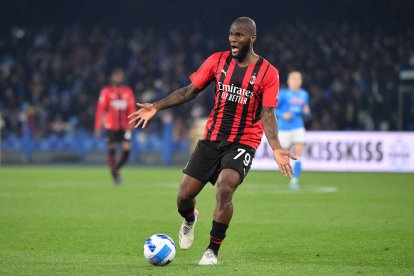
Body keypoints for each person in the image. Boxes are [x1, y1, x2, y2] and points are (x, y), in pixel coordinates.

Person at [128, 17, 296, 265]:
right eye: (231, 34)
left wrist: (276, 147)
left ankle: (212, 250)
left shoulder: (269, 73)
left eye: (239, 35)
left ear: (252, 38)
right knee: (183, 198)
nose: (233, 39)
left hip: (244, 141)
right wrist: (156, 106)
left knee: (225, 188)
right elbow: (189, 91)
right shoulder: (217, 60)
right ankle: (189, 218)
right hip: (212, 138)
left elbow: (268, 113)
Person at [94, 68, 136, 185]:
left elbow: (132, 108)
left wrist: (132, 123)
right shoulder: (106, 92)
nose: (118, 78)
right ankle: (115, 176)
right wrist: (97, 127)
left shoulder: (128, 92)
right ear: (112, 78)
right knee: (111, 149)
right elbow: (100, 110)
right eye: (116, 76)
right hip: (110, 126)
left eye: (120, 76)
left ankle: (115, 169)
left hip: (124, 127)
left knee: (127, 150)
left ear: (122, 78)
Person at [275, 71, 311, 190]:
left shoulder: (304, 94)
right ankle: (287, 173)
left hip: (298, 127)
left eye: (298, 79)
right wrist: (283, 115)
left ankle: (295, 180)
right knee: (282, 155)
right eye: (293, 79)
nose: (296, 81)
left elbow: (305, 110)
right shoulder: (284, 94)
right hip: (284, 129)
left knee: (299, 155)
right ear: (288, 81)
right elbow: (273, 109)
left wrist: (306, 112)